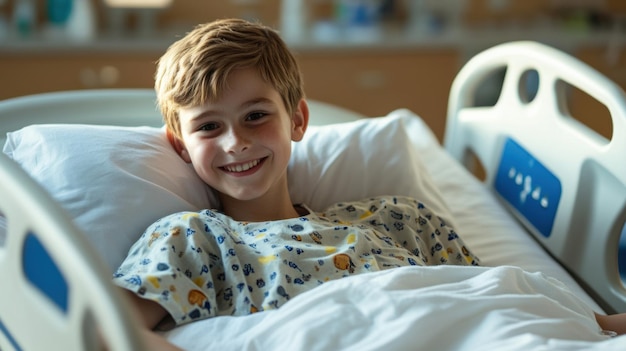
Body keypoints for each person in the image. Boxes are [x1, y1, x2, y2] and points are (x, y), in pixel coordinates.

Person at [111, 18, 624, 349]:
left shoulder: (397, 217)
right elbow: (106, 326)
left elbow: (497, 299)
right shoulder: (195, 241)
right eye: (208, 126)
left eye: (255, 115)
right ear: (180, 146)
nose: (235, 142)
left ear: (297, 120)